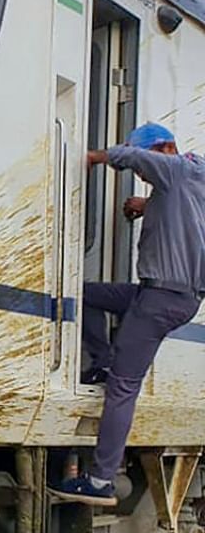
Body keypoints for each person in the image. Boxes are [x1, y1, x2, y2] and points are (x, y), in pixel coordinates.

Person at [51, 122, 205, 506]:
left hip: (161, 298)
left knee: (123, 388)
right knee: (84, 296)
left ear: (165, 148)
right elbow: (185, 211)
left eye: (145, 167)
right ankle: (102, 359)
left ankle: (101, 480)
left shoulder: (175, 168)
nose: (141, 174)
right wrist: (147, 205)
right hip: (170, 296)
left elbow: (135, 157)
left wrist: (94, 157)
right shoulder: (194, 177)